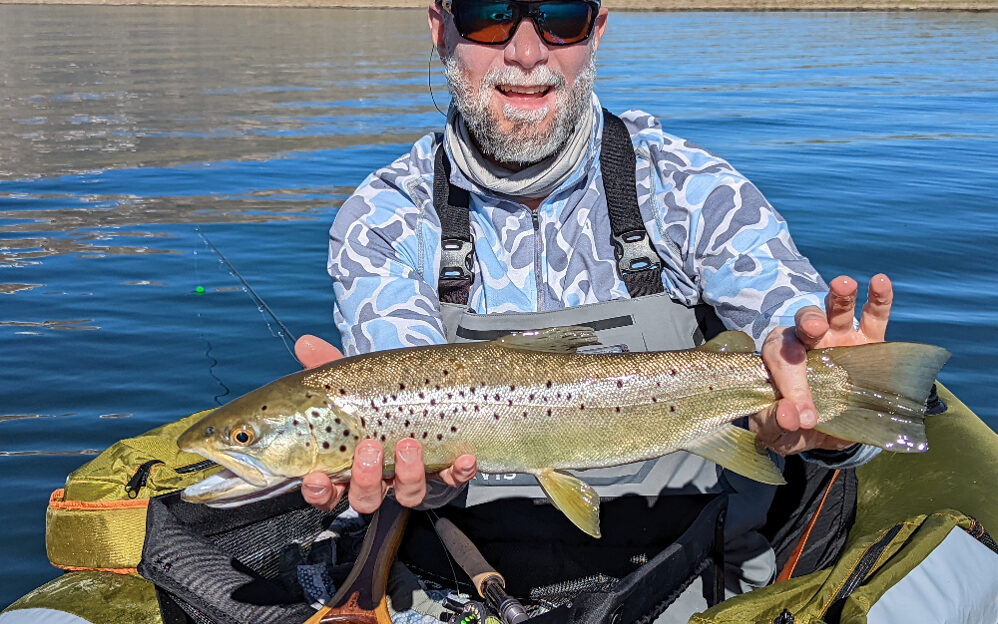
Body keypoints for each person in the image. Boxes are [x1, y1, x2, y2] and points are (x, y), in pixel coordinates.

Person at [293, 0, 893, 619]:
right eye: (488, 15)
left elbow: (788, 322)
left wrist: (826, 419)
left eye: (560, 15)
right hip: (461, 583)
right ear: (441, 28)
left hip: (695, 583)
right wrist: (402, 477)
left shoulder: (691, 188)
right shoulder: (384, 220)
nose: (527, 53)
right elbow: (403, 423)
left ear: (597, 30)